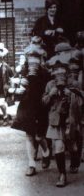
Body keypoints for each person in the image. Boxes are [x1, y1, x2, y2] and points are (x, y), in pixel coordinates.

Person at [11, 44, 51, 176]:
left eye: (36, 58)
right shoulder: (23, 72)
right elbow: (10, 85)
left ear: (40, 60)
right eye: (30, 58)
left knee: (39, 136)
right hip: (27, 105)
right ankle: (31, 164)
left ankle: (46, 152)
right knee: (29, 135)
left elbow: (51, 87)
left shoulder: (46, 74)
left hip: (40, 106)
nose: (33, 61)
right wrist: (17, 85)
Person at [43, 56, 83, 187]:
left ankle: (75, 159)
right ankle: (62, 175)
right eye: (56, 71)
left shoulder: (73, 83)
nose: (59, 73)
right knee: (58, 147)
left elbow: (81, 102)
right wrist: (51, 94)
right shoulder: (50, 85)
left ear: (66, 72)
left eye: (62, 71)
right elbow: (43, 102)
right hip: (56, 120)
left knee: (72, 146)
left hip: (70, 120)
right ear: (53, 73)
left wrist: (71, 94)